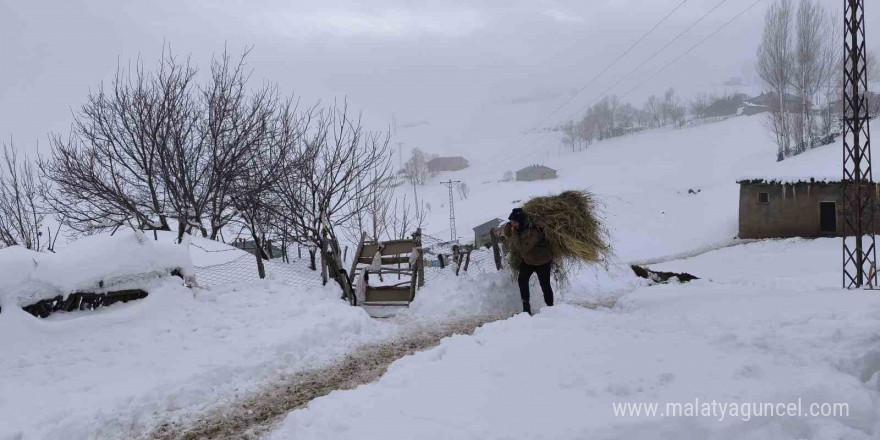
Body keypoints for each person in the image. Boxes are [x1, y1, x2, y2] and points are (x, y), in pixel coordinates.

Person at [505, 208, 553, 315]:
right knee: (522, 280)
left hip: (542, 261)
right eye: (511, 222)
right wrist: (509, 228)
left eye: (514, 222)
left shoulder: (533, 231)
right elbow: (507, 234)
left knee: (545, 284)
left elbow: (522, 248)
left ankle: (551, 308)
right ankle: (526, 309)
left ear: (520, 221)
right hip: (528, 260)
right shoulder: (518, 227)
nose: (513, 224)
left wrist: (514, 233)